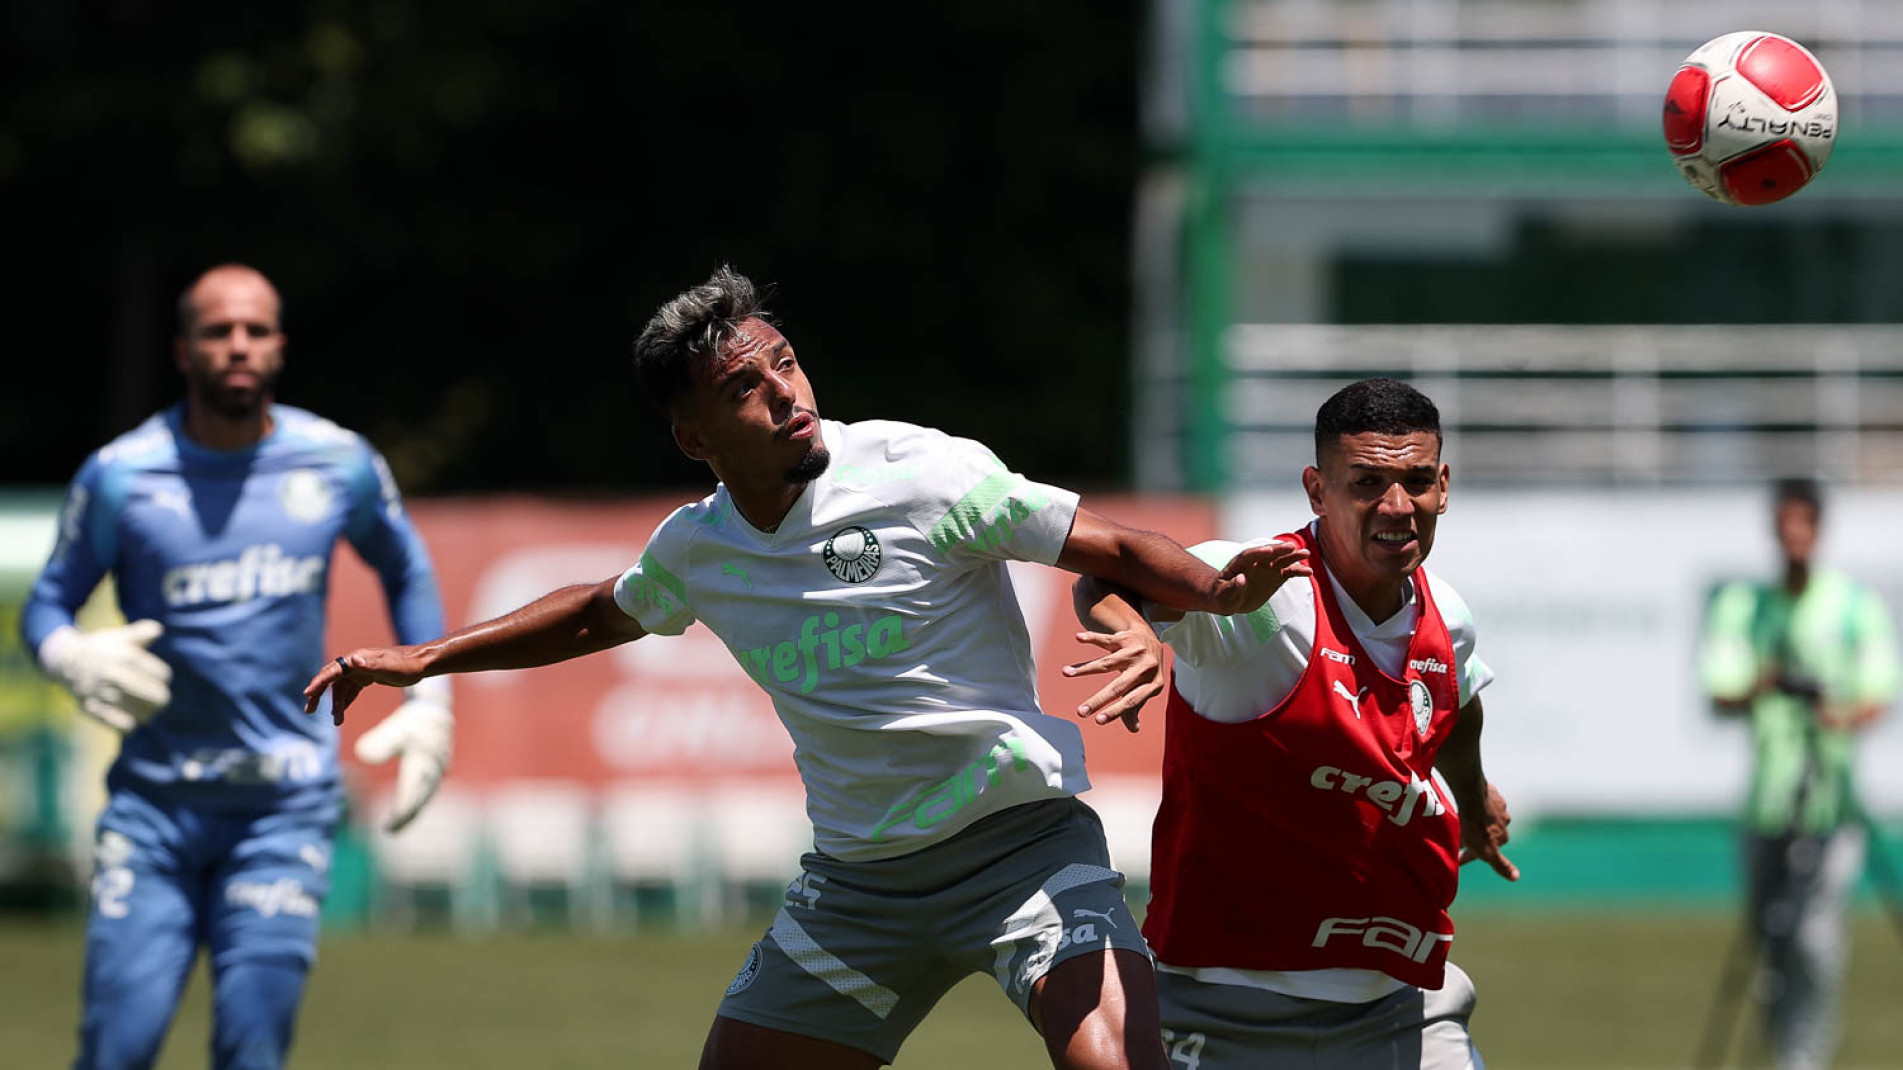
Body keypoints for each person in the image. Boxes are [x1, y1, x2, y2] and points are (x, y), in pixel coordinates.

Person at [302, 265, 1308, 1070]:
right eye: (745, 385)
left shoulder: (924, 472)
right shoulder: (699, 549)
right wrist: (427, 656)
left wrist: (1213, 594)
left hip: (1023, 849)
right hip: (860, 885)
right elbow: (595, 613)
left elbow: (1112, 544)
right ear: (693, 435)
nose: (784, 390)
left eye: (784, 362)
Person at [22, 264, 454, 1070]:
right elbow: (46, 603)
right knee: (114, 1050)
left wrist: (429, 702)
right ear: (182, 349)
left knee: (250, 1050)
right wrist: (66, 651)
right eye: (217, 331)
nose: (237, 346)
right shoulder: (120, 474)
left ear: (279, 346)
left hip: (282, 808)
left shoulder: (338, 462)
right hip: (154, 812)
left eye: (255, 329)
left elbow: (406, 568)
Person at [1071, 378, 1518, 1070]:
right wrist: (1133, 631)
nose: (1397, 507)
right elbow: (1103, 573)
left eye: (1416, 481)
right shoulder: (1262, 589)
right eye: (1366, 482)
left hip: (1396, 1009)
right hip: (1222, 1011)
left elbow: (1459, 701)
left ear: (1444, 485)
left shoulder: (1446, 615)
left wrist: (1473, 792)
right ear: (1317, 490)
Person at [1698, 476, 1898, 1070]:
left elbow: (1878, 690)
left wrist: (1837, 713)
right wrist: (1767, 681)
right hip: (1767, 801)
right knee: (1770, 947)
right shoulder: (1744, 605)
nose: (1794, 541)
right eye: (1785, 528)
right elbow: (1721, 690)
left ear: (1818, 530)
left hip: (1831, 802)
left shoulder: (1853, 604)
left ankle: (1803, 1059)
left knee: (1817, 942)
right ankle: (1782, 1048)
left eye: (1803, 527)